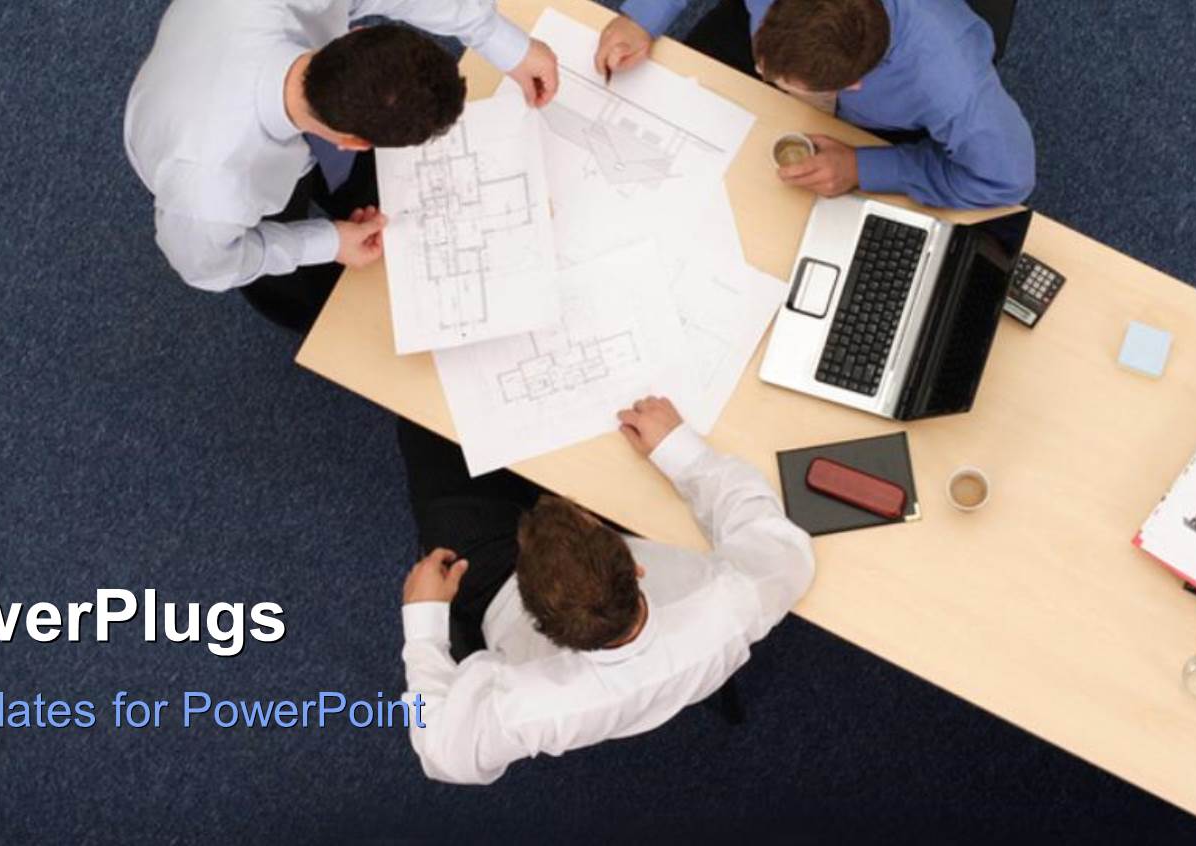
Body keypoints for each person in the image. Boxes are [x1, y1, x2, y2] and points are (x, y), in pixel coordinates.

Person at [396, 396, 815, 784]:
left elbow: (438, 752)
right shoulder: (729, 607)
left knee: (422, 419)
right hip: (572, 566)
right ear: (634, 565)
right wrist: (684, 453)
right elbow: (784, 549)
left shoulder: (531, 707)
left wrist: (423, 628)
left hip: (491, 577)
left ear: (534, 614)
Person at [125, 1, 559, 335]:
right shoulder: (212, 192)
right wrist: (326, 242)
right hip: (198, 152)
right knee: (290, 285)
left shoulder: (337, 65)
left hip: (235, 75)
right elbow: (208, 264)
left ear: (358, 34)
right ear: (353, 143)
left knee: (361, 186)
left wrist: (504, 43)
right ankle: (314, 317)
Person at [595, 0, 1035, 209]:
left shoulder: (948, 84)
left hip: (878, 120)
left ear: (855, 83)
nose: (766, 80)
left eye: (780, 82)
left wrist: (866, 168)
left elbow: (1006, 178)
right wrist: (640, 19)